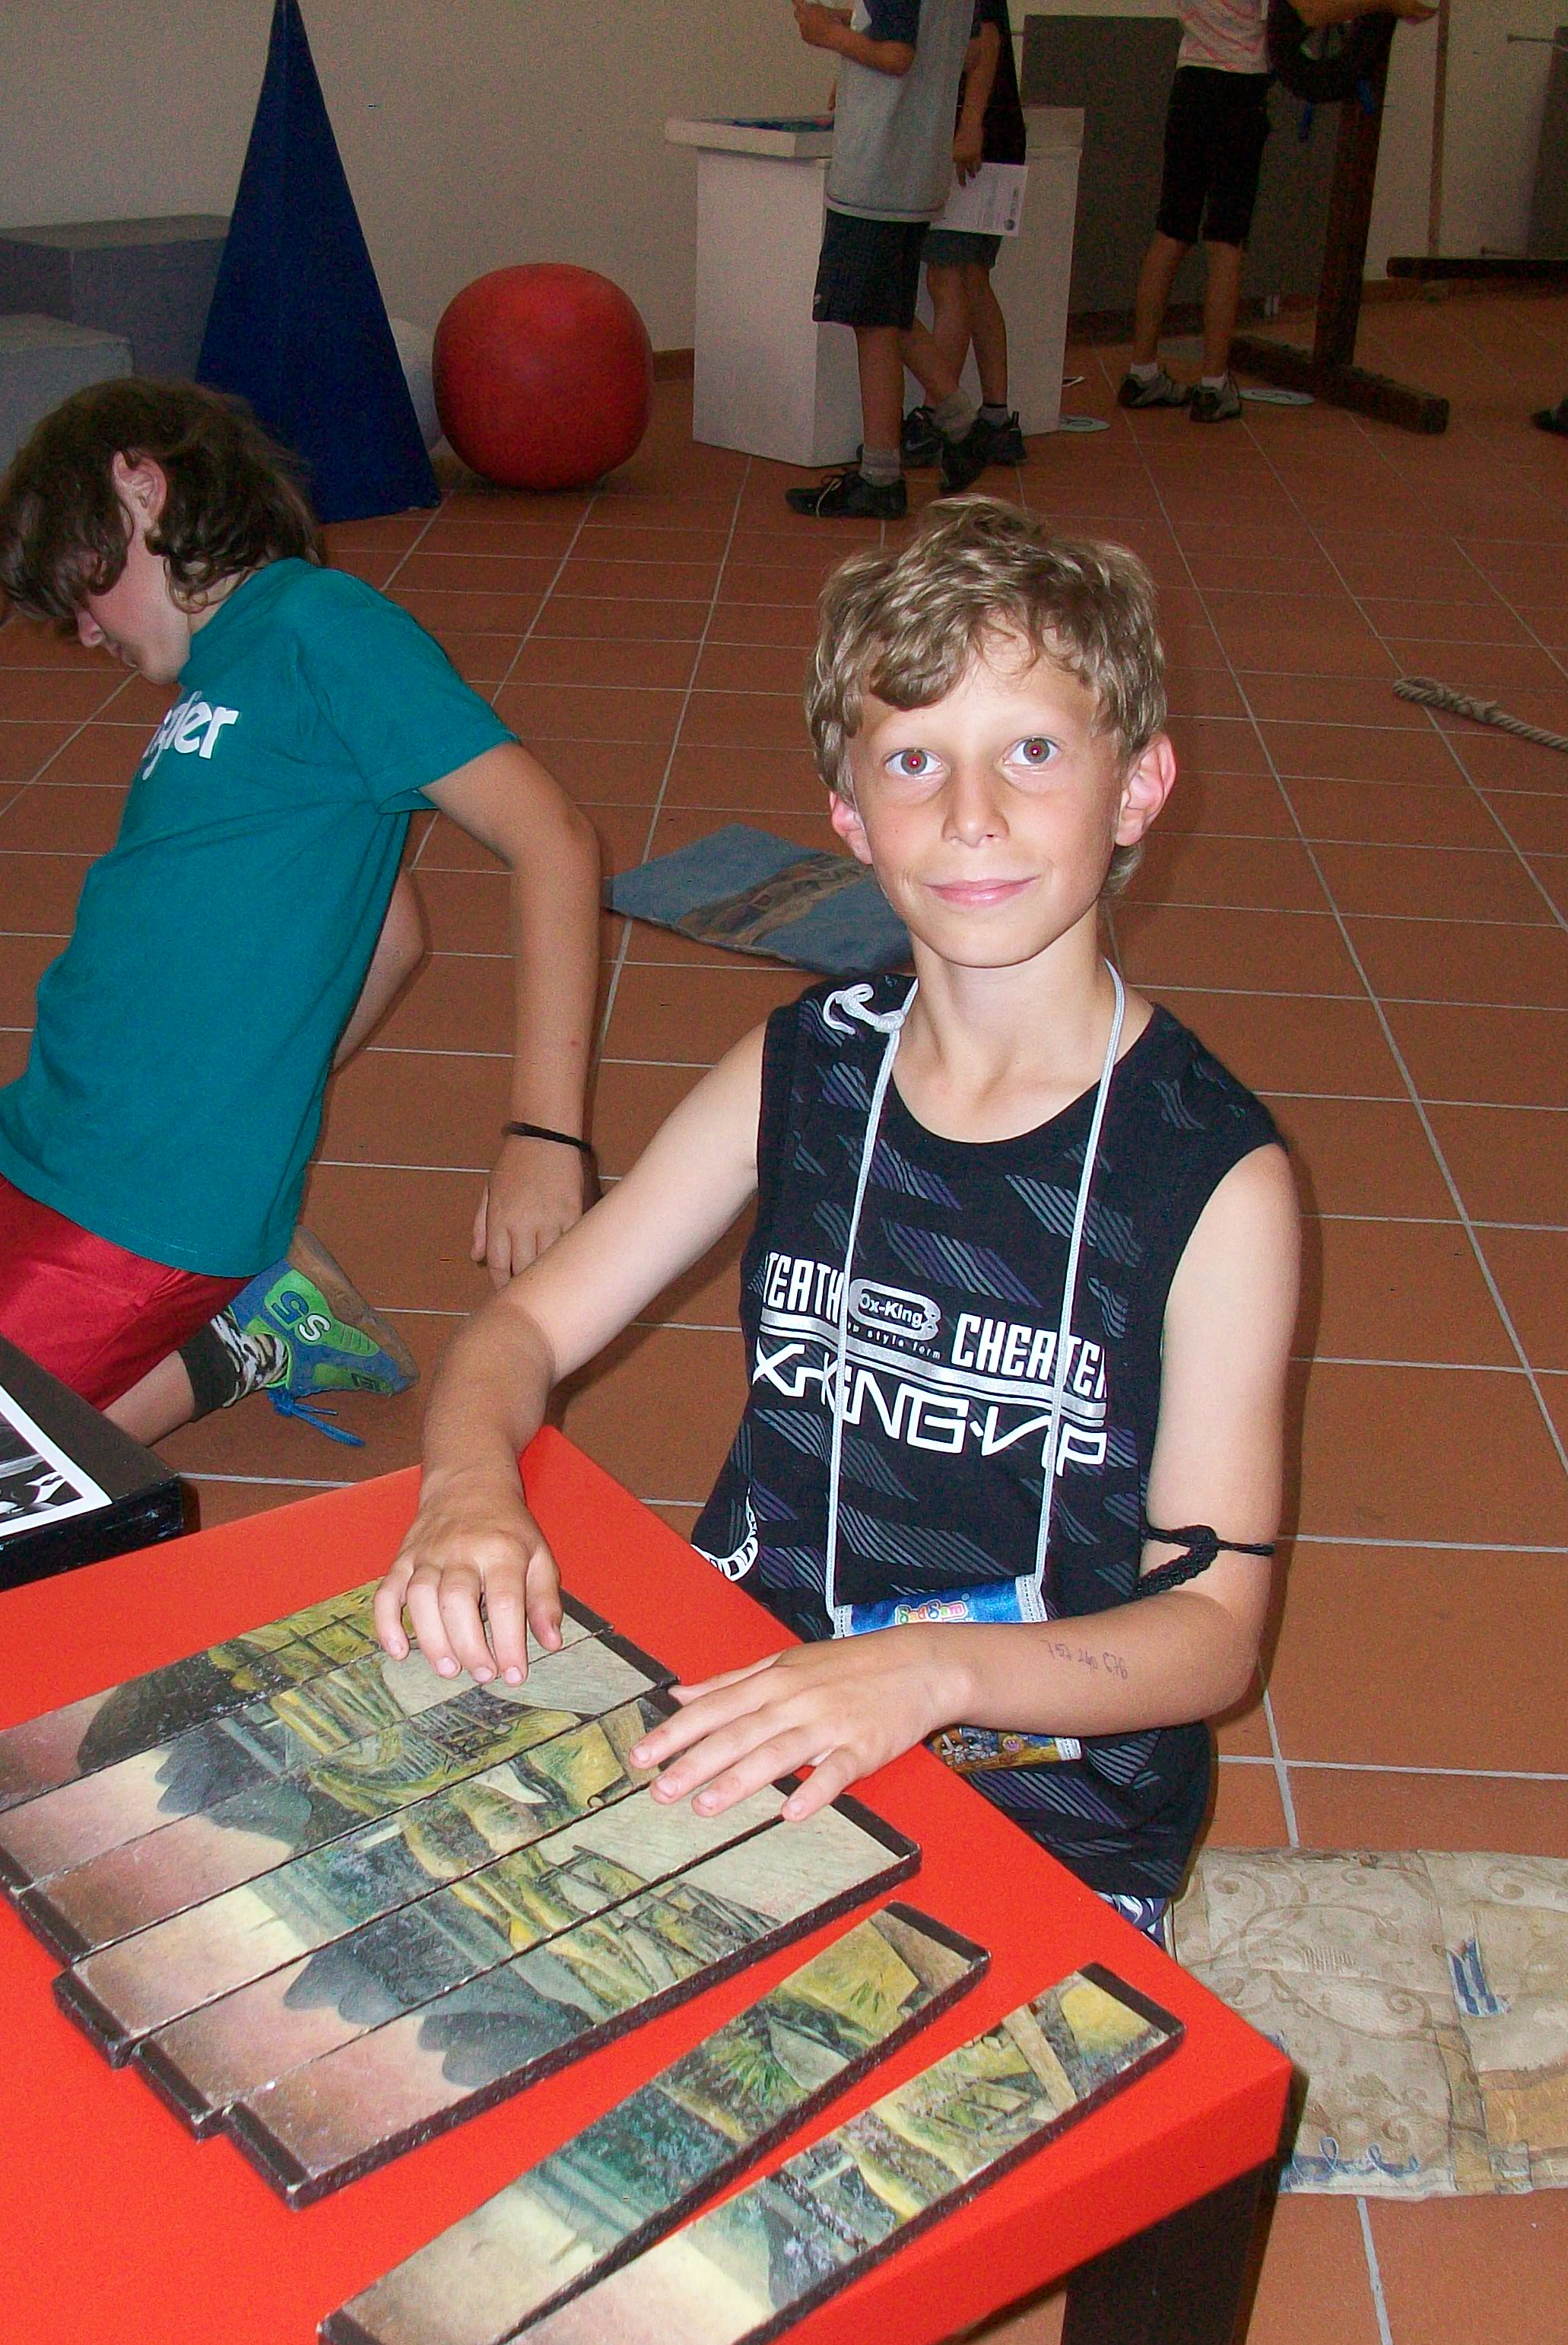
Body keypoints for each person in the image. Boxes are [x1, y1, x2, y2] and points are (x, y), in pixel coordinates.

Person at [373, 497, 1300, 1937]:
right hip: (751, 1705)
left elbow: (1212, 1632)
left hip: (1050, 1807)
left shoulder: (1211, 1177)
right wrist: (465, 1491)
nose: (971, 814)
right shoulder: (797, 1070)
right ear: (849, 816)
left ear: (1137, 786)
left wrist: (925, 1673)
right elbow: (520, 1331)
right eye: (914, 759)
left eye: (1032, 751)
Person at [0, 380, 601, 1445]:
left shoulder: (321, 624)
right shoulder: (219, 673)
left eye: (83, 590)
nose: (86, 633)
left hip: (147, 1205)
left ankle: (253, 1333)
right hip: (50, 1133)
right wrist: (261, 1086)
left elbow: (552, 838)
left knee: (19, 1457)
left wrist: (544, 1135)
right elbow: (390, 928)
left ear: (140, 488)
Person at [1118, 0, 1433, 423]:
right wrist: (1387, 3)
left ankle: (1141, 373)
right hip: (1238, 91)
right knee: (1226, 242)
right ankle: (1213, 386)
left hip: (1190, 81)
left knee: (1171, 231)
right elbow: (1312, 12)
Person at [786, 0, 996, 518]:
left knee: (874, 317)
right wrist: (856, 20)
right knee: (888, 312)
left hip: (879, 164)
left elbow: (898, 55)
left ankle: (883, 475)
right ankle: (960, 426)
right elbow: (965, 46)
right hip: (916, 162)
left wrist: (826, 35)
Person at [901, 0, 1028, 469]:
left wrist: (970, 125)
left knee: (947, 277)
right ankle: (996, 417)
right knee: (971, 278)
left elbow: (985, 42)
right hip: (991, 138)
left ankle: (939, 417)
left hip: (972, 144)